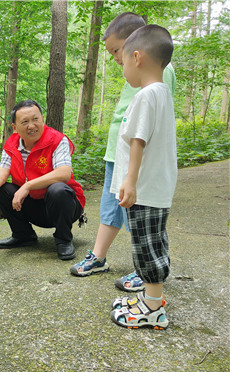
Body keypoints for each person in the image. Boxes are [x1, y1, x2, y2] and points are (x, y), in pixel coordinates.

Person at [70, 12, 177, 295]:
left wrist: (133, 173)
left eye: (117, 51)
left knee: (141, 221)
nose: (117, 59)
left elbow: (148, 128)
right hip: (118, 153)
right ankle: (100, 256)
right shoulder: (139, 77)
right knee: (111, 207)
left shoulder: (155, 77)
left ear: (136, 50)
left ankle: (146, 275)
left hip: (135, 161)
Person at [109, 24, 177, 329]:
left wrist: (130, 181)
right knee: (154, 243)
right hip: (155, 188)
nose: (122, 69)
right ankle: (151, 299)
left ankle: (152, 309)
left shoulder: (147, 95)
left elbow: (138, 140)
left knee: (146, 247)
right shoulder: (161, 92)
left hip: (145, 189)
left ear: (137, 57)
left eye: (122, 62)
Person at [0, 100, 86, 260]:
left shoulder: (57, 140)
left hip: (65, 206)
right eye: (25, 122)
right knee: (2, 190)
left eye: (35, 119)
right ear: (15, 128)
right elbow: (2, 171)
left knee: (57, 189)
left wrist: (28, 186)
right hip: (35, 206)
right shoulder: (12, 144)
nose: (31, 126)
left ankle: (63, 240)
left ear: (43, 119)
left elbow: (64, 173)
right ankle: (23, 235)